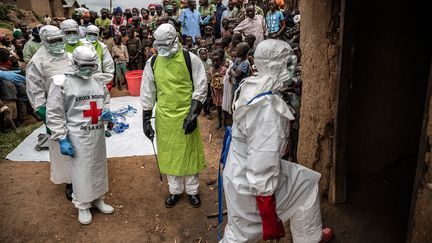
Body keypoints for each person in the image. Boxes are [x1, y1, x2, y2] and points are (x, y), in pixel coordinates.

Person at [220, 39, 333, 243]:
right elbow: (262, 164)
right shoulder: (268, 110)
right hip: (251, 182)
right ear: (277, 66)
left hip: (236, 171)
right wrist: (267, 211)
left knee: (239, 230)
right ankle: (309, 238)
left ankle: (310, 236)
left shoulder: (251, 85)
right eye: (290, 64)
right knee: (305, 186)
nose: (294, 69)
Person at [140, 24, 207, 208]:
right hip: (165, 117)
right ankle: (175, 190)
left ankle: (192, 190)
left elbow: (201, 87)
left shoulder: (189, 59)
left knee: (190, 153)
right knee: (169, 154)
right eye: (158, 45)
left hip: (187, 114)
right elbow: (148, 91)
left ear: (175, 40)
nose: (162, 49)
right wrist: (146, 118)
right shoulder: (153, 62)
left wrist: (193, 113)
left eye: (165, 45)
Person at [46, 46, 115, 225]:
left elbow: (105, 99)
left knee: (98, 166)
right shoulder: (62, 82)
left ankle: (98, 198)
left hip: (97, 131)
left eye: (91, 66)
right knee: (82, 170)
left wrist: (106, 112)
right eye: (84, 65)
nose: (88, 70)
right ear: (74, 63)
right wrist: (61, 138)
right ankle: (83, 205)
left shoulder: (97, 80)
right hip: (77, 135)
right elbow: (54, 112)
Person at [25, 25, 73, 201]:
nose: (57, 43)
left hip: (75, 110)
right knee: (62, 150)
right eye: (52, 41)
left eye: (59, 39)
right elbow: (35, 93)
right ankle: (69, 182)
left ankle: (82, 177)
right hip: (54, 112)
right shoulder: (37, 63)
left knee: (80, 146)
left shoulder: (69, 57)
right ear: (44, 42)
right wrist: (48, 117)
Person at [209, 48, 226, 128]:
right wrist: (212, 92)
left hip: (223, 92)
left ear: (221, 61)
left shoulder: (224, 70)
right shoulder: (211, 70)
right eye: (213, 61)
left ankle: (225, 122)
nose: (215, 62)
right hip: (216, 92)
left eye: (217, 60)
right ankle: (219, 121)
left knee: (224, 107)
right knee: (218, 107)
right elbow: (211, 82)